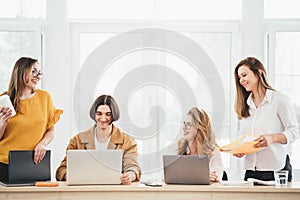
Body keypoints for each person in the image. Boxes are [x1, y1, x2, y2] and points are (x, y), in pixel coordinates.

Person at [233, 57, 299, 181]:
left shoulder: (279, 100)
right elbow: (243, 136)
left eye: (244, 75)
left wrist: (271, 138)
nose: (241, 80)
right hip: (251, 170)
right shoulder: (245, 106)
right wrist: (240, 149)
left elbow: (294, 132)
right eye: (239, 78)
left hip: (277, 170)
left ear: (259, 73)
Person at [0, 57, 63, 181]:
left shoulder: (44, 98)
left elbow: (50, 130)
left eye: (39, 73)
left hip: (34, 163)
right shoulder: (4, 100)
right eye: (34, 71)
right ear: (21, 71)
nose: (38, 76)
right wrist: (3, 122)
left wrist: (43, 143)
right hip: (4, 163)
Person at [56, 95, 141, 184]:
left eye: (108, 114)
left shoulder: (128, 142)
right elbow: (62, 169)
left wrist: (129, 176)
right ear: (94, 114)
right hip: (85, 192)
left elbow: (133, 167)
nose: (103, 118)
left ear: (114, 115)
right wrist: (71, 176)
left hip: (115, 192)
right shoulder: (77, 140)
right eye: (99, 113)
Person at [177, 107, 223, 182]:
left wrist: (184, 175)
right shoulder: (178, 147)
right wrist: (199, 175)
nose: (183, 128)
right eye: (184, 123)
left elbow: (216, 176)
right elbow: (165, 174)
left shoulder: (213, 151)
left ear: (199, 128)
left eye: (188, 124)